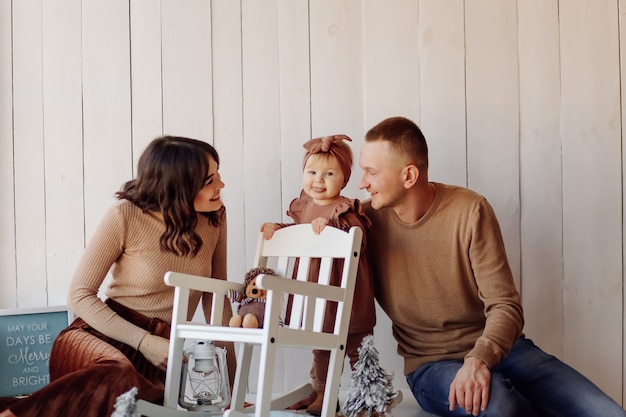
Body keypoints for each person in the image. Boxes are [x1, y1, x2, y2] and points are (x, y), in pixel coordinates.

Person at [358, 116, 626, 417]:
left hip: (501, 352)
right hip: (431, 366)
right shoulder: (364, 224)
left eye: (371, 172)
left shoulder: (470, 211)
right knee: (502, 406)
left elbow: (506, 306)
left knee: (605, 412)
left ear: (408, 176)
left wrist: (478, 359)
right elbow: (322, 241)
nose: (361, 182)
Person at [0, 136, 236, 417]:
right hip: (98, 339)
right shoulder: (124, 215)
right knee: (120, 375)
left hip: (158, 356)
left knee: (157, 402)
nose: (220, 185)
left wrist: (231, 390)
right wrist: (144, 341)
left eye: (217, 174)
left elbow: (216, 298)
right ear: (178, 186)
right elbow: (79, 294)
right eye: (209, 180)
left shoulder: (215, 218)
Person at [260, 135, 376, 416]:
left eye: (329, 173)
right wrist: (278, 228)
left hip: (347, 291)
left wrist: (334, 226)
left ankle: (368, 396)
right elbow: (296, 231)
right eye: (311, 172)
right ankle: (324, 395)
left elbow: (358, 239)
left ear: (344, 179)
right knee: (321, 347)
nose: (318, 180)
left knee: (357, 346)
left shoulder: (345, 208)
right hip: (316, 295)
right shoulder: (304, 207)